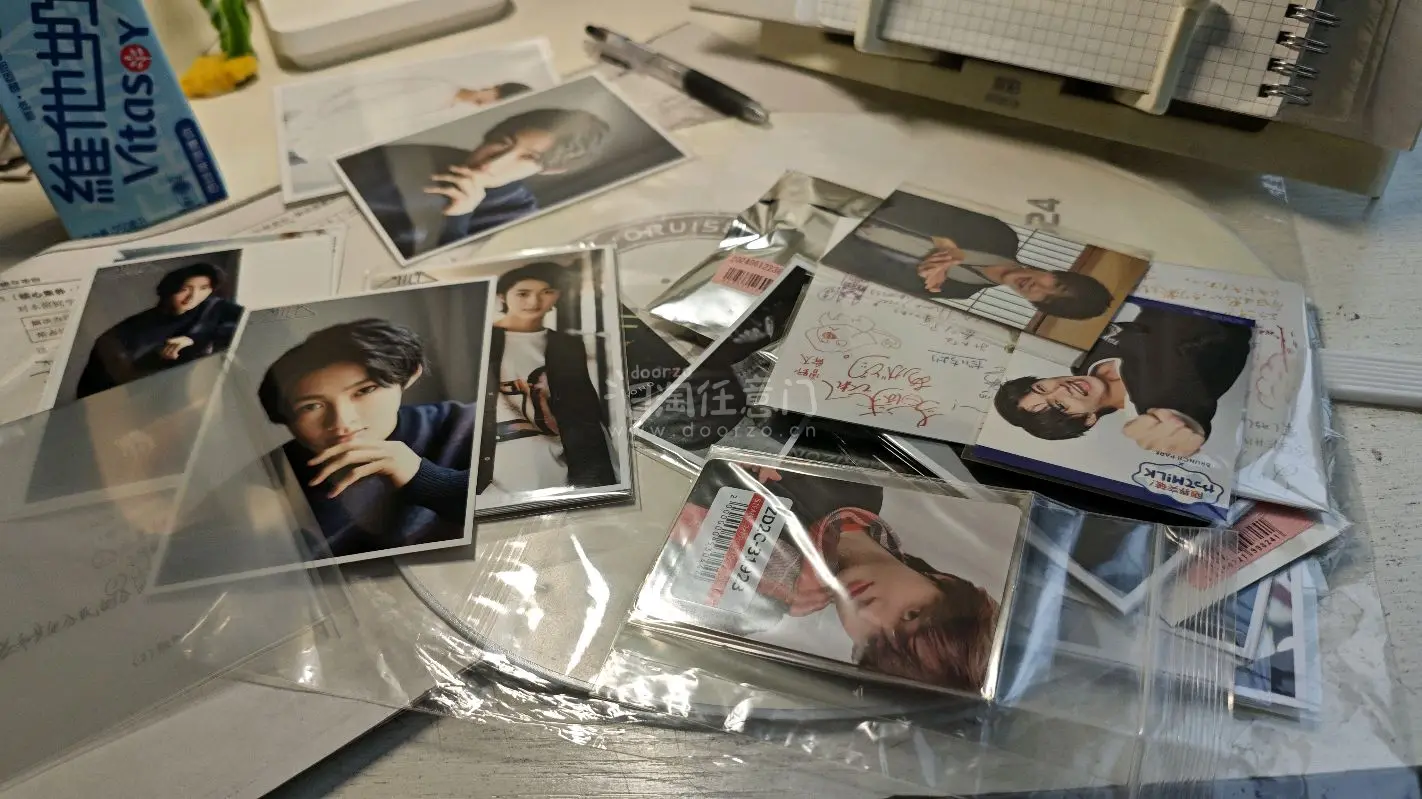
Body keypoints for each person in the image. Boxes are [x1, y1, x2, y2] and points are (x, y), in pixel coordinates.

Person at [675, 462, 1001, 693]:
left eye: (872, 642)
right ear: (945, 582)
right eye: (911, 614)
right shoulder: (864, 483)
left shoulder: (754, 606)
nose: (871, 613)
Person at [258, 319, 477, 558]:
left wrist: (420, 475)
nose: (342, 422)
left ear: (409, 375)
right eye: (311, 406)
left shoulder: (468, 424)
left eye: (364, 391)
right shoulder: (265, 477)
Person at [339, 107, 611, 258]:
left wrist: (458, 217)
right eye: (501, 143)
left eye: (528, 158)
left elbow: (444, 279)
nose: (492, 164)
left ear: (552, 170)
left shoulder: (518, 218)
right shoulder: (412, 155)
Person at [992, 302, 1254, 457]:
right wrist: (1187, 428)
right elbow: (1185, 412)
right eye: (1060, 405)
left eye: (1042, 388)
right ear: (1088, 419)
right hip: (1235, 302)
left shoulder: (1083, 356)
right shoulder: (1155, 404)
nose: (1061, 390)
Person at [477, 262, 616, 503]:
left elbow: (583, 413)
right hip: (492, 474)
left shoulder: (567, 346)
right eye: (523, 293)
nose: (534, 301)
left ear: (557, 296)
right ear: (502, 297)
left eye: (546, 292)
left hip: (554, 467)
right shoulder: (478, 340)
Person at [824, 209, 1113, 320]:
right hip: (861, 203)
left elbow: (873, 276)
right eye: (1056, 285)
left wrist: (918, 276)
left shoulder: (959, 291)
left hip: (832, 244)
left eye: (1045, 299)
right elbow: (923, 201)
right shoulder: (1001, 237)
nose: (1037, 288)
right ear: (1057, 272)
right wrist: (942, 240)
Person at [75, 262, 243, 400]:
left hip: (211, 394)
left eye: (204, 288)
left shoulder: (214, 307)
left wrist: (194, 339)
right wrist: (157, 360)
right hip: (151, 402)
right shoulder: (131, 330)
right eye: (184, 289)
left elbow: (247, 328)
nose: (193, 297)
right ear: (169, 290)